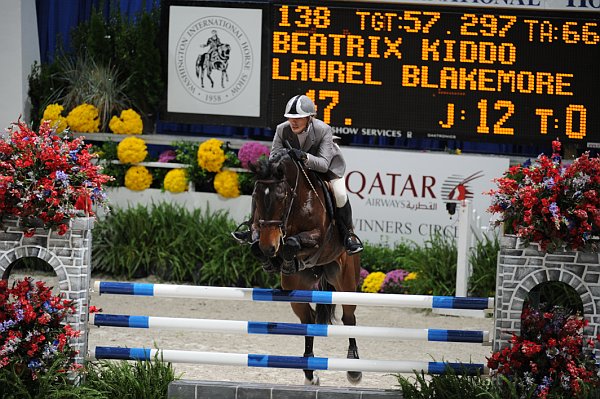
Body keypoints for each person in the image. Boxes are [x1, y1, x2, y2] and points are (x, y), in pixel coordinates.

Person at [232, 94, 363, 255]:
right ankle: (251, 225)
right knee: (262, 187)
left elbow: (322, 164)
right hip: (295, 170)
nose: (293, 122)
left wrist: (304, 156)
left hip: (326, 169)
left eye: (298, 118)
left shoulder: (323, 130)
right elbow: (274, 158)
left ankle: (347, 235)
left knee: (340, 194)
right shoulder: (282, 129)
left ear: (309, 118)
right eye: (290, 118)